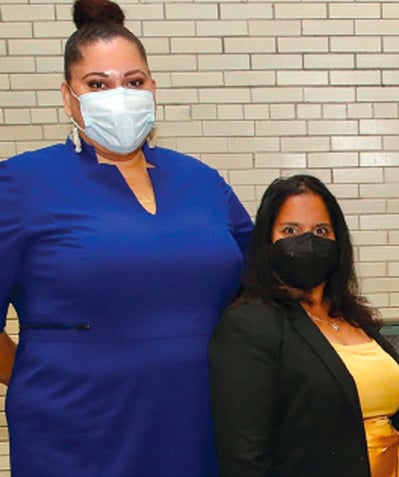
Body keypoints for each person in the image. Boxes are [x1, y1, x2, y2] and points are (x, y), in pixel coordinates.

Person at [0, 0, 253, 474]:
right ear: (68, 96)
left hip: (202, 417)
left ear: (153, 89)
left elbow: (260, 287)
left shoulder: (202, 181)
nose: (119, 94)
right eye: (98, 84)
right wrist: (34, 377)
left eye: (134, 82)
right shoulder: (19, 183)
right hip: (76, 426)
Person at [209, 174, 399, 477]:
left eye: (321, 230)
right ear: (268, 242)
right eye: (290, 230)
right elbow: (244, 458)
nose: (308, 242)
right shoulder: (248, 326)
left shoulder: (354, 318)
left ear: (338, 241)